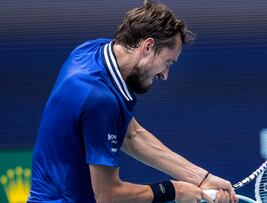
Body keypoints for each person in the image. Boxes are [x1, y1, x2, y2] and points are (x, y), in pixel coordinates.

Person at [28, 1, 237, 202]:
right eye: (167, 63)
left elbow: (132, 135)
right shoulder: (99, 99)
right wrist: (174, 190)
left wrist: (201, 178)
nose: (165, 75)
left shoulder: (91, 52)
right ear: (147, 47)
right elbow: (108, 195)